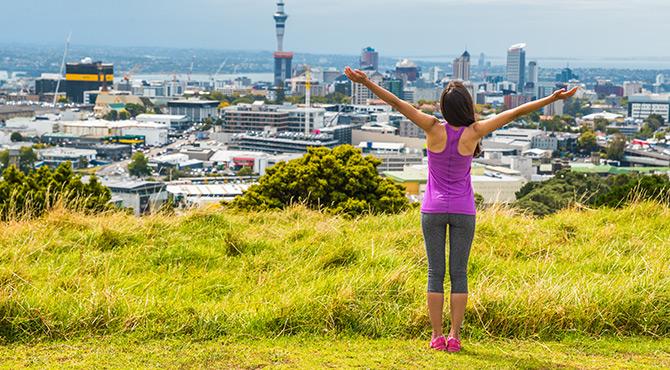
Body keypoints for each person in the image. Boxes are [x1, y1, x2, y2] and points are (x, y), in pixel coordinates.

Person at [344, 67, 578, 352]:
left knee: (434, 272)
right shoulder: (475, 132)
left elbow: (396, 103)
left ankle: (436, 336)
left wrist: (365, 81)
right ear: (467, 106)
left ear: (443, 106)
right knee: (459, 274)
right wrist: (551, 99)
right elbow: (515, 114)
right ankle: (455, 336)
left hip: (432, 209)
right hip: (464, 210)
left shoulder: (431, 126)